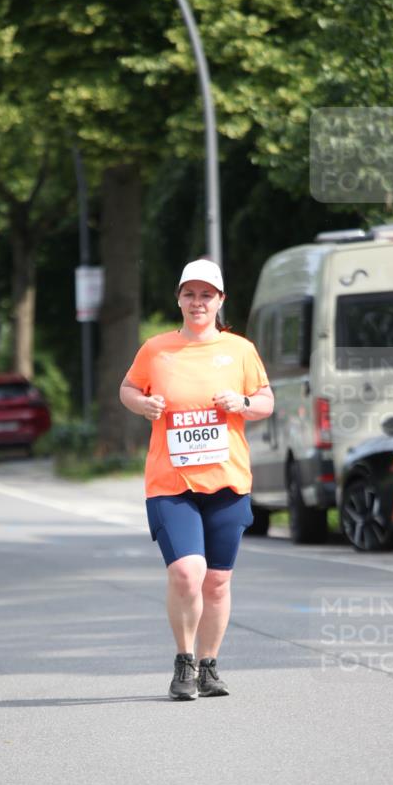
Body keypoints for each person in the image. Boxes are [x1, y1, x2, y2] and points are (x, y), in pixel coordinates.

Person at [120, 258, 274, 700]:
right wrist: (142, 405)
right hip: (171, 481)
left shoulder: (240, 350)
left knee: (217, 580)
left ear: (220, 300)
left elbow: (266, 400)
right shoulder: (157, 349)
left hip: (227, 481)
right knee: (188, 573)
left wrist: (242, 402)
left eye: (207, 294)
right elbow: (128, 388)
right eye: (190, 293)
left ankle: (209, 665)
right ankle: (183, 662)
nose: (198, 302)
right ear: (179, 299)